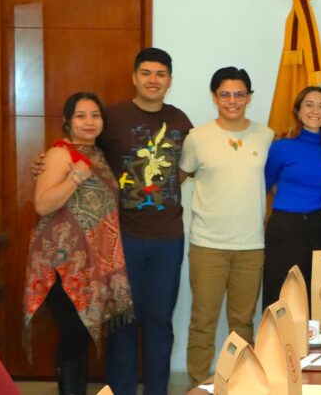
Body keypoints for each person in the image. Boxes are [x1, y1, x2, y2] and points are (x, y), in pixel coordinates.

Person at [24, 93, 133, 395]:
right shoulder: (62, 153)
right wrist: (75, 178)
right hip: (63, 264)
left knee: (80, 334)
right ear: (67, 121)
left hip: (88, 265)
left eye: (95, 115)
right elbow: (43, 204)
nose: (89, 122)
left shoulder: (97, 154)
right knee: (73, 335)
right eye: (81, 116)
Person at [102, 48, 193, 395]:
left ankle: (157, 390)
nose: (153, 80)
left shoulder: (180, 120)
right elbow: (82, 151)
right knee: (122, 322)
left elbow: (187, 167)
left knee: (159, 323)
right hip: (123, 237)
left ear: (169, 80)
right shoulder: (112, 117)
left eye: (160, 74)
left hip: (169, 239)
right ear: (134, 77)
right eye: (146, 73)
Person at [179, 67, 275, 386]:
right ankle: (198, 384)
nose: (232, 100)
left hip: (250, 246)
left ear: (249, 97)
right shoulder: (198, 138)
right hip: (207, 245)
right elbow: (181, 176)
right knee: (203, 322)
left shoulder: (267, 136)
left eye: (239, 94)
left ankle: (238, 384)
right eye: (225, 94)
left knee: (242, 323)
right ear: (214, 97)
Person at [262, 86, 321, 307]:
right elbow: (266, 184)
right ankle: (276, 343)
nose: (315, 110)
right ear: (297, 110)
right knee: (279, 298)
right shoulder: (281, 147)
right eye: (309, 104)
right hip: (284, 227)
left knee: (315, 299)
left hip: (318, 229)